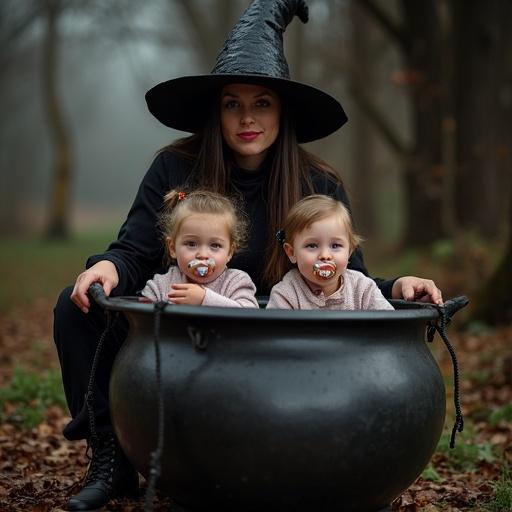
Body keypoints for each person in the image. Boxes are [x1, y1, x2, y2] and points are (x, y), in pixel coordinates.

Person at [53, 0, 443, 510]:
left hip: (278, 328)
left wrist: (396, 288)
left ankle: (304, 452)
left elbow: (347, 277)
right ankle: (113, 456)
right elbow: (135, 251)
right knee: (75, 304)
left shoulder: (318, 181)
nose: (247, 118)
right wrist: (106, 266)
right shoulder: (175, 166)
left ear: (283, 110)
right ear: (216, 111)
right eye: (232, 104)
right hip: (188, 318)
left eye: (261, 103)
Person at [267, 195, 394, 310]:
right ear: (291, 252)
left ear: (349, 252)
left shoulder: (362, 289)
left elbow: (388, 325)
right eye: (312, 245)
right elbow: (276, 332)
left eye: (335, 245)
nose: (325, 255)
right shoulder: (286, 294)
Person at [141, 189, 258, 307]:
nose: (203, 254)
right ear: (172, 248)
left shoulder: (235, 282)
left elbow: (249, 316)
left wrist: (205, 299)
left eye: (215, 245)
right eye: (191, 244)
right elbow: (144, 319)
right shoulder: (162, 285)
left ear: (229, 252)